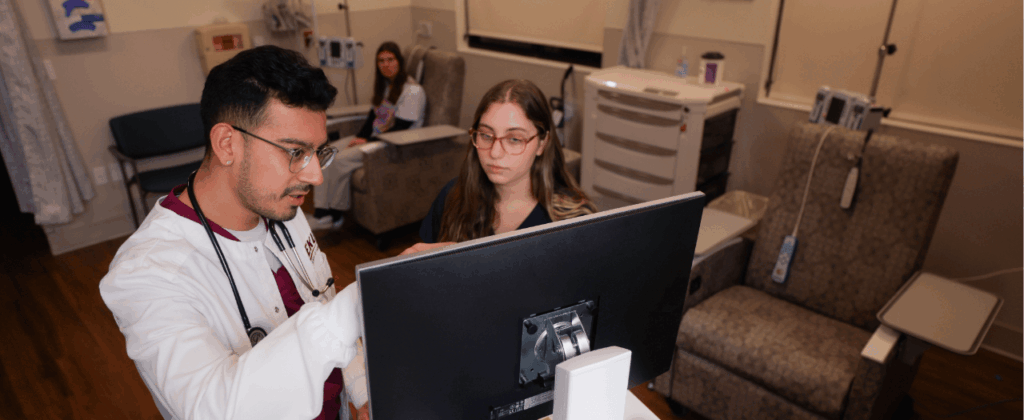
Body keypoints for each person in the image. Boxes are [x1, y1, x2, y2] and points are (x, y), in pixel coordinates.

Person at [99, 45, 368, 420]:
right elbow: (213, 408)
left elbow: (321, 300)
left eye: (318, 153)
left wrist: (362, 391)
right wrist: (360, 304)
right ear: (227, 144)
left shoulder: (282, 206)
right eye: (295, 152)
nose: (314, 176)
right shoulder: (147, 273)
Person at [412, 79, 595, 251]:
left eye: (514, 139)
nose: (495, 153)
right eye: (486, 135)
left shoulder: (574, 221)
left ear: (542, 144)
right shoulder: (451, 197)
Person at [309, 41, 427, 230]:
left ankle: (331, 216)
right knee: (325, 154)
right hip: (375, 138)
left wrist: (366, 141)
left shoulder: (413, 91)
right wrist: (360, 137)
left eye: (390, 59)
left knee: (338, 161)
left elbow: (401, 128)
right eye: (381, 61)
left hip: (392, 144)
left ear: (399, 62)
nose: (386, 64)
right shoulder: (387, 87)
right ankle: (323, 213)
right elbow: (372, 118)